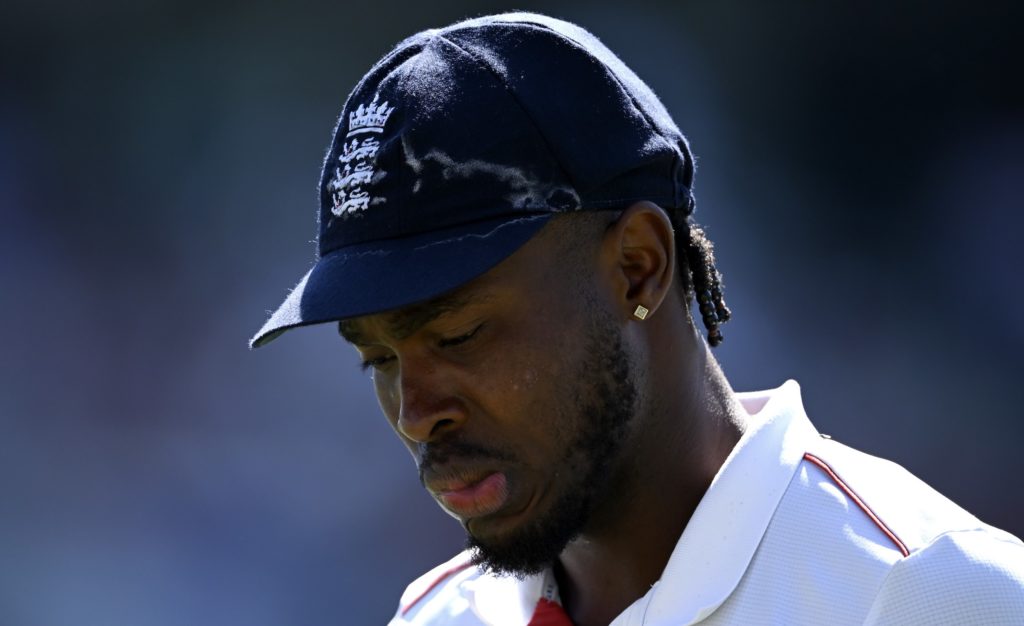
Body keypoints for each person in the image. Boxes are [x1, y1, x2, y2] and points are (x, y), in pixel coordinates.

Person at [250, 12, 1024, 626]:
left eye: (457, 335)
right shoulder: (437, 619)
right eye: (378, 359)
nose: (416, 415)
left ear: (638, 267)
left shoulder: (931, 596)